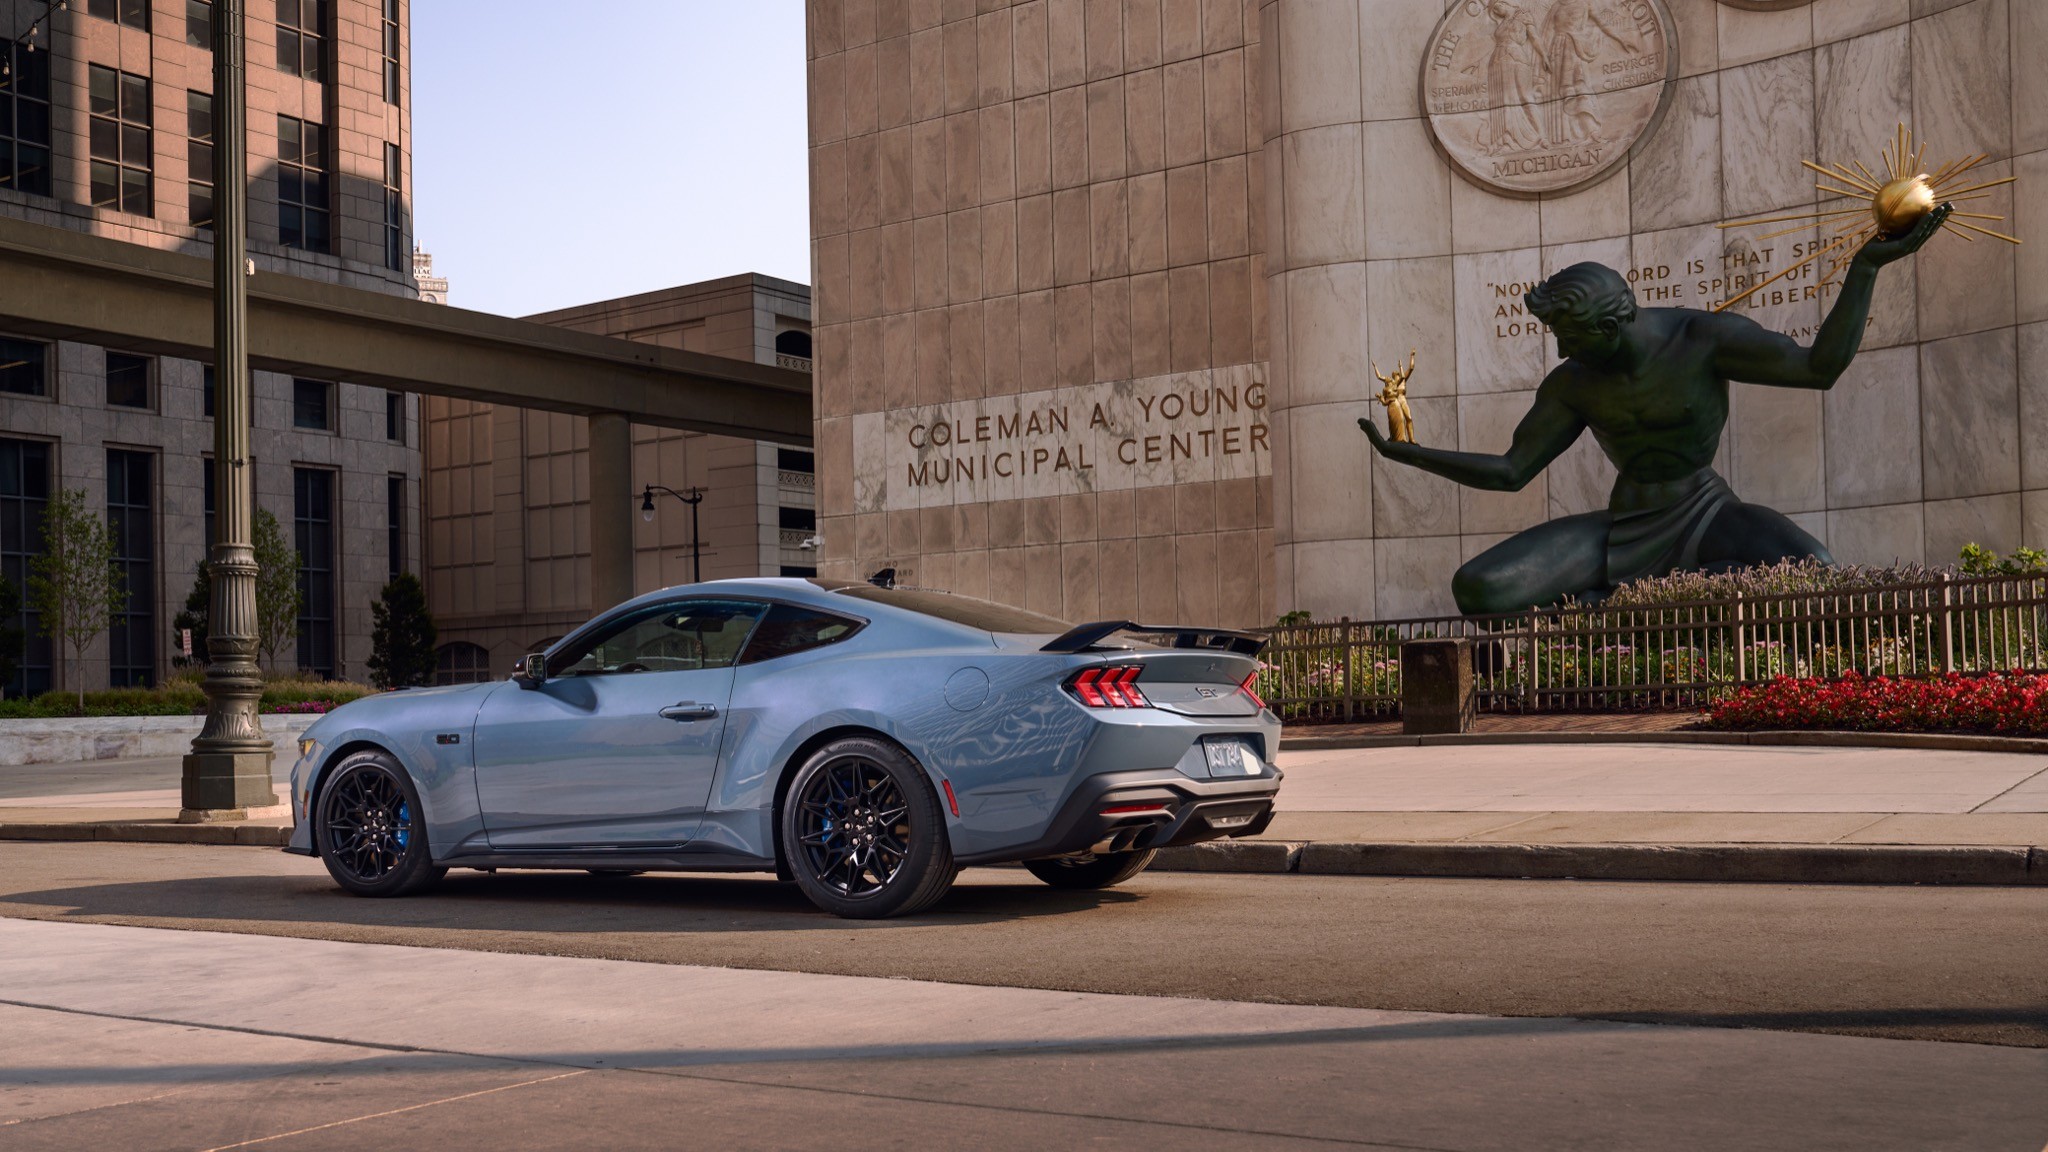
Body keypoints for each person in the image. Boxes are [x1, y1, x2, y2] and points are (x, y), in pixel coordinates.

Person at [1357, 204, 1952, 615]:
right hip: (1626, 525)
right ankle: (1644, 608)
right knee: (1479, 589)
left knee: (1812, 570)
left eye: (1570, 335)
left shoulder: (1703, 340)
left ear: (1612, 324)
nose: (1562, 350)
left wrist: (1866, 267)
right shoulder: (1574, 383)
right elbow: (1512, 471)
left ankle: (1614, 613)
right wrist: (1409, 454)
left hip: (1707, 514)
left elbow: (1818, 369)